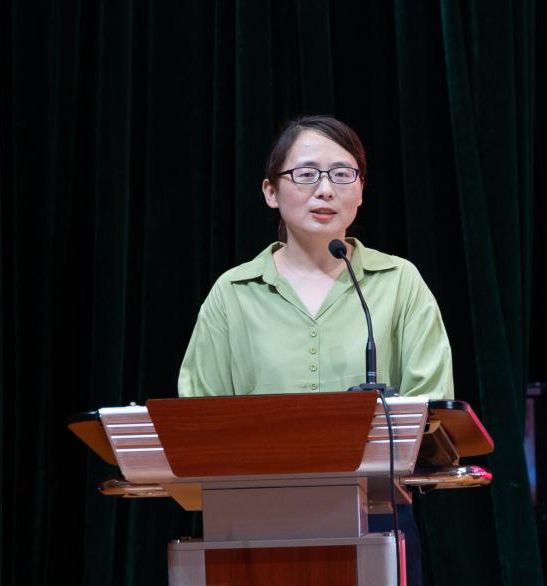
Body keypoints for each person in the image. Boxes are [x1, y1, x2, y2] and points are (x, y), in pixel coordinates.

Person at [177, 115, 454, 586]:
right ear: (271, 191)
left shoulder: (399, 282)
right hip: (251, 520)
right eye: (305, 174)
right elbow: (197, 417)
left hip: (376, 516)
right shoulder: (233, 292)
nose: (325, 190)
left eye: (342, 174)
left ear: (360, 191)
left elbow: (429, 409)